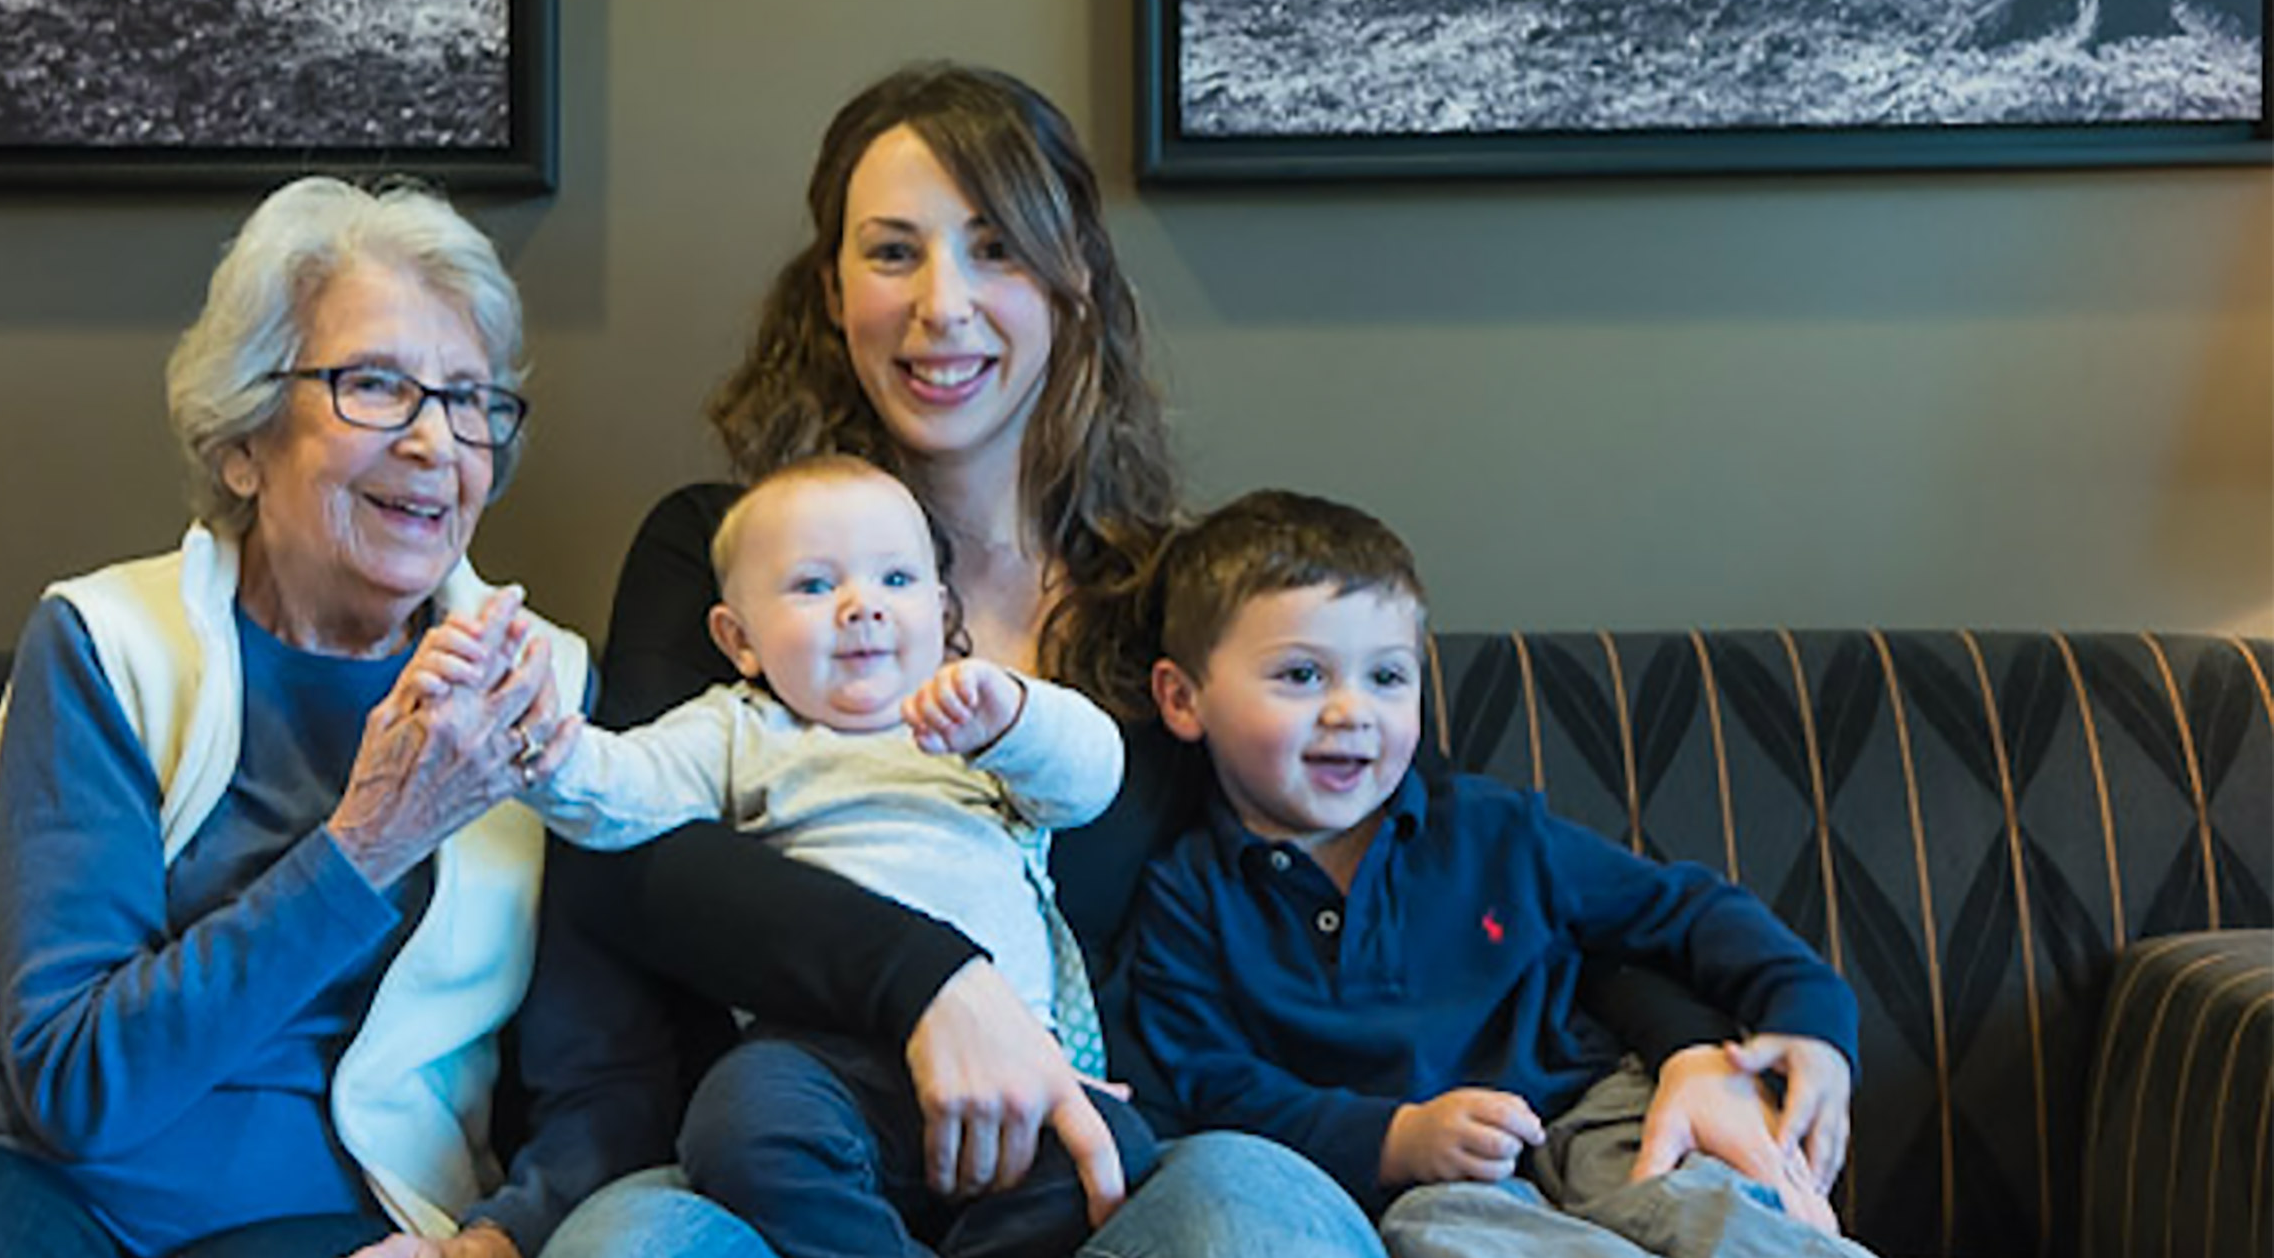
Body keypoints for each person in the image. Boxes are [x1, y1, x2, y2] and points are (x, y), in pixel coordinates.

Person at [543, 62, 1846, 1258]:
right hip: (791, 1155)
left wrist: (1693, 1046)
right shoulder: (732, 556)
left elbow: (1425, 856)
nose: (942, 306)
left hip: (1113, 1157)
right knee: (632, 1250)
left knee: (1247, 1214)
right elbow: (631, 860)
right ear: (834, 291)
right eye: (894, 254)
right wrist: (935, 986)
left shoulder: (1182, 601)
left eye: (997, 249)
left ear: (1074, 284)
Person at [0, 177, 601, 1258]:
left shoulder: (539, 690)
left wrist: (498, 1238)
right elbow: (75, 1088)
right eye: (376, 384)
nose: (436, 443)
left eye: (470, 401)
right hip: (28, 1183)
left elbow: (604, 1075)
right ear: (244, 439)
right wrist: (370, 839)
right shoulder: (104, 644)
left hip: (325, 1216)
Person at [1123, 490, 1868, 1257]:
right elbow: (1216, 1086)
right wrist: (1396, 1137)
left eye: (1387, 677)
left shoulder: (1495, 830)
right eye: (1302, 675)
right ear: (1184, 700)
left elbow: (1687, 909)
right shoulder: (1187, 897)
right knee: (1449, 1234)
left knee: (1714, 1207)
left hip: (1594, 1108)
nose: (1352, 711)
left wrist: (1810, 1016)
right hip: (1428, 1180)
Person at [502, 456, 1157, 1258]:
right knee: (737, 1124)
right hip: (821, 1064)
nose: (862, 608)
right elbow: (624, 793)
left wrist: (1015, 716)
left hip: (1013, 1057)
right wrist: (542, 748)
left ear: (943, 609)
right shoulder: (737, 728)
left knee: (1114, 1146)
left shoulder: (970, 724)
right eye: (814, 586)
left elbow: (1092, 779)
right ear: (737, 639)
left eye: (896, 580)